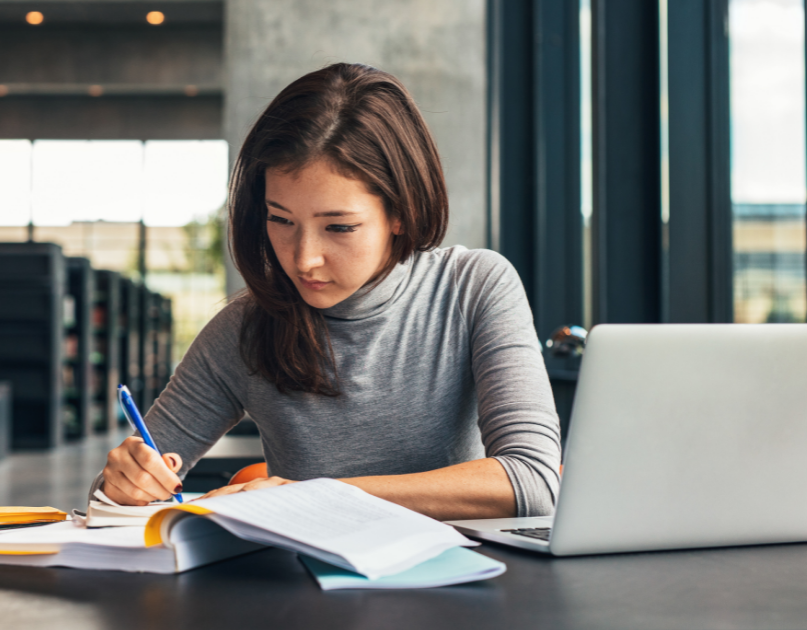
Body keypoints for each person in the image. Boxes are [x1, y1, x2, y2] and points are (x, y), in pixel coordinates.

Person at [96, 63, 561, 520]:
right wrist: (123, 484)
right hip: (306, 591)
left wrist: (313, 496)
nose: (303, 259)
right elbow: (109, 499)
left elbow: (533, 481)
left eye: (338, 226)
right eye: (281, 220)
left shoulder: (472, 287)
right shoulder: (243, 328)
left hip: (463, 584)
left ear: (400, 212)